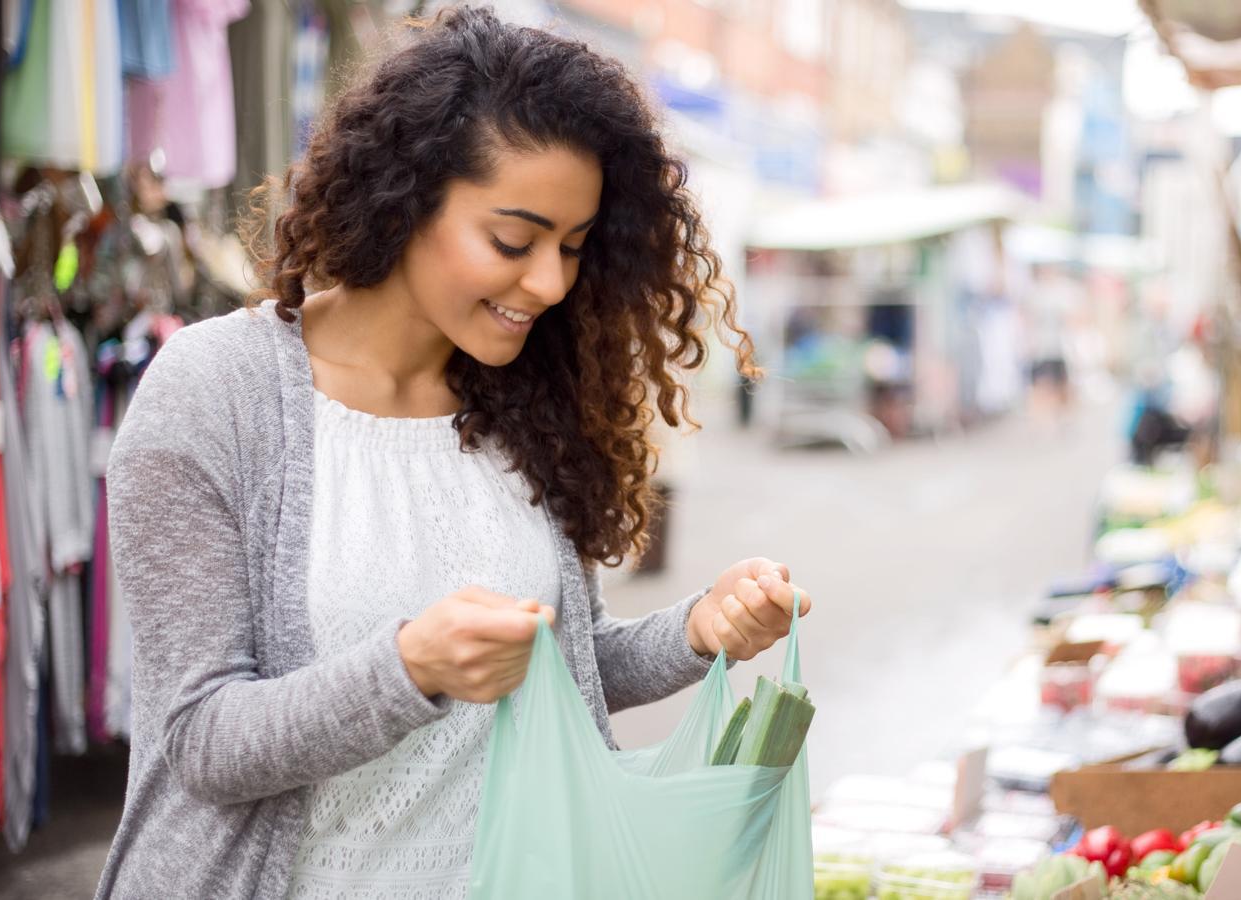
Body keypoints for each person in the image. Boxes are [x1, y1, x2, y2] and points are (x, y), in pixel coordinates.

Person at [93, 9, 811, 898]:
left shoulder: (523, 401)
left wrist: (698, 632)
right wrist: (408, 670)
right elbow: (201, 740)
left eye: (573, 248)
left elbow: (564, 665)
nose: (548, 282)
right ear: (405, 196)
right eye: (513, 241)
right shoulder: (213, 394)